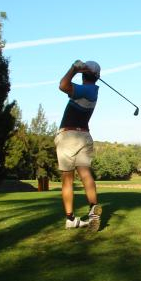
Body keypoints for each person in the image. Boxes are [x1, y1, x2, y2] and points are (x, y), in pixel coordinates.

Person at [55, 60, 102, 231]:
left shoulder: (86, 89)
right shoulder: (93, 91)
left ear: (84, 74)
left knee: (67, 179)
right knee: (85, 174)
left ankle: (70, 218)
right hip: (84, 135)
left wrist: (73, 68)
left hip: (69, 136)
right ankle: (93, 210)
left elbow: (62, 85)